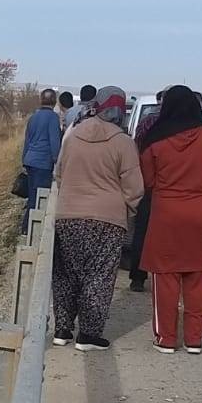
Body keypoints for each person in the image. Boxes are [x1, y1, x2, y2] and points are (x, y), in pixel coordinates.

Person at [138, 86, 202, 354]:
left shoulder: (156, 140)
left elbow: (148, 180)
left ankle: (166, 339)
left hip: (166, 215)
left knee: (165, 277)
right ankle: (194, 339)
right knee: (201, 276)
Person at [51, 86, 143, 351]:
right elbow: (134, 188)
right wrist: (127, 213)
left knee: (66, 273)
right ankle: (89, 334)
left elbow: (59, 173)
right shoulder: (123, 142)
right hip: (108, 219)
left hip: (69, 214)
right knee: (99, 276)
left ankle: (62, 329)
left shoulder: (74, 136)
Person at [128, 86, 168, 291]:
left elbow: (136, 147)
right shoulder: (181, 126)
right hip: (170, 186)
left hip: (146, 182)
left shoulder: (147, 122)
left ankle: (137, 277)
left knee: (142, 232)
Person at [21, 89, 61, 232]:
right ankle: (30, 230)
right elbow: (55, 142)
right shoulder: (53, 118)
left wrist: (24, 159)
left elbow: (27, 140)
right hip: (43, 163)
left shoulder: (33, 117)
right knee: (40, 198)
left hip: (30, 160)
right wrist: (57, 162)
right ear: (54, 101)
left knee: (32, 196)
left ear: (41, 100)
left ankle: (26, 227)